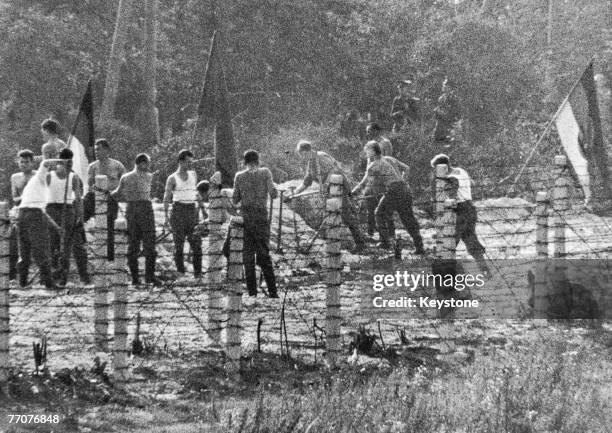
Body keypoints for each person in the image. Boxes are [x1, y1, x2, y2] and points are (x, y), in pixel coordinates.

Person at [290, 140, 367, 252]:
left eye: (301, 154)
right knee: (330, 215)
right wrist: (294, 192)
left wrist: (326, 184)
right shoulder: (310, 163)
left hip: (339, 187)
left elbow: (335, 171)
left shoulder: (321, 157)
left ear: (307, 151)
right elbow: (307, 181)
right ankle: (331, 245)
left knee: (345, 214)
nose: (301, 157)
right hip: (329, 192)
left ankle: (360, 244)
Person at [352, 141, 424, 254]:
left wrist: (352, 194)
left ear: (372, 151)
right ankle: (419, 247)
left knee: (379, 214)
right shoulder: (386, 160)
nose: (366, 155)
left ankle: (385, 243)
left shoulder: (374, 164)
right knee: (407, 219)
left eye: (367, 152)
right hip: (404, 189)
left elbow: (365, 183)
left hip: (394, 190)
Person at [430, 154, 488, 272]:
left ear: (442, 167)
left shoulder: (450, 178)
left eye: (435, 168)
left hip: (459, 210)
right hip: (470, 208)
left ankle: (442, 272)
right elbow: (472, 183)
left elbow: (450, 196)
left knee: (449, 241)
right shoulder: (461, 171)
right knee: (470, 240)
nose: (435, 171)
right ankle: (485, 269)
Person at [232, 150, 279, 298]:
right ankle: (273, 292)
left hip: (246, 218)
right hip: (261, 217)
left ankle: (252, 293)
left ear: (244, 162)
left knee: (248, 257)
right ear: (258, 161)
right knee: (264, 255)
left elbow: (235, 199)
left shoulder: (239, 176)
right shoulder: (265, 172)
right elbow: (273, 193)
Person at [16, 156, 65, 289]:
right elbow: (45, 163)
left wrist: (56, 227)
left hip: (23, 215)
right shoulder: (39, 178)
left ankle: (22, 282)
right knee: (42, 249)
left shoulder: (39, 188)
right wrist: (64, 160)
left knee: (24, 250)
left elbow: (41, 211)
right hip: (32, 216)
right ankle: (48, 282)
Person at [111, 153, 158, 285]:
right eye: (147, 163)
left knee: (133, 244)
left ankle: (135, 279)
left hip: (131, 209)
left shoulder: (125, 177)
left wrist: (106, 193)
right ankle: (149, 277)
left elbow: (117, 193)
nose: (148, 166)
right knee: (149, 244)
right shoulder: (149, 176)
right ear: (142, 163)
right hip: (144, 209)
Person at [45, 148, 90, 286]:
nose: (67, 164)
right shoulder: (49, 175)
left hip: (68, 210)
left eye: (69, 161)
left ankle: (79, 277)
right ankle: (54, 277)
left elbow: (78, 198)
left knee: (71, 245)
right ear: (59, 160)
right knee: (53, 244)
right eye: (64, 160)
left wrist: (80, 217)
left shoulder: (73, 177)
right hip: (52, 209)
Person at [163, 149, 205, 278]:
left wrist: (203, 210)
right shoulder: (172, 178)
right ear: (180, 161)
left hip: (192, 211)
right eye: (187, 162)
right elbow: (166, 197)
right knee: (179, 245)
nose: (189, 165)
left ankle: (198, 274)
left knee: (196, 244)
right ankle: (181, 273)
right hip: (178, 211)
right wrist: (166, 217)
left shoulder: (193, 174)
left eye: (191, 162)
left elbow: (196, 194)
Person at [85, 138, 126, 260]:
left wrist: (116, 194)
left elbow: (124, 183)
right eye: (95, 150)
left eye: (99, 149)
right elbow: (89, 184)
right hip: (94, 198)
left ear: (107, 150)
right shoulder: (92, 166)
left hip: (111, 199)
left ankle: (110, 257)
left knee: (110, 228)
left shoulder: (117, 165)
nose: (96, 152)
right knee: (78, 219)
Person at [9, 150, 36, 281]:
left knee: (39, 247)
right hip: (20, 212)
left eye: (27, 162)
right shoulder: (15, 177)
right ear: (18, 162)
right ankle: (19, 277)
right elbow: (14, 198)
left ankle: (46, 278)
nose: (24, 164)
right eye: (22, 162)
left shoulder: (37, 176)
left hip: (36, 212)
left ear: (32, 162)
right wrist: (25, 196)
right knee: (18, 245)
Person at [433, 77, 461, 145]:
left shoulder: (453, 99)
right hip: (440, 124)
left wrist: (441, 112)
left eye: (445, 85)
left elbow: (453, 113)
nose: (444, 86)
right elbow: (437, 112)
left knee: (450, 144)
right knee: (437, 142)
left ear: (450, 88)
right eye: (444, 85)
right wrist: (437, 111)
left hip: (450, 125)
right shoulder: (441, 98)